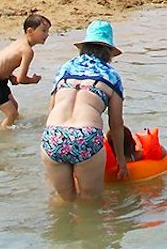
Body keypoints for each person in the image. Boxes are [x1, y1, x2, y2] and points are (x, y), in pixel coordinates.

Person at [41, 20, 130, 200]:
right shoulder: (111, 76)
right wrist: (121, 159)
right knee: (91, 203)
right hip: (86, 136)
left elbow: (51, 110)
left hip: (54, 135)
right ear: (109, 52)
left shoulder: (65, 69)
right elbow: (116, 124)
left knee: (62, 202)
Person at [0, 12, 51, 127]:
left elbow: (4, 61)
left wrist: (10, 75)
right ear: (30, 31)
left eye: (48, 31)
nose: (47, 35)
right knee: (11, 114)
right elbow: (21, 79)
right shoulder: (27, 51)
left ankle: (13, 128)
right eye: (44, 31)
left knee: (14, 107)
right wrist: (33, 80)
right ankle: (1, 135)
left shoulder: (20, 43)